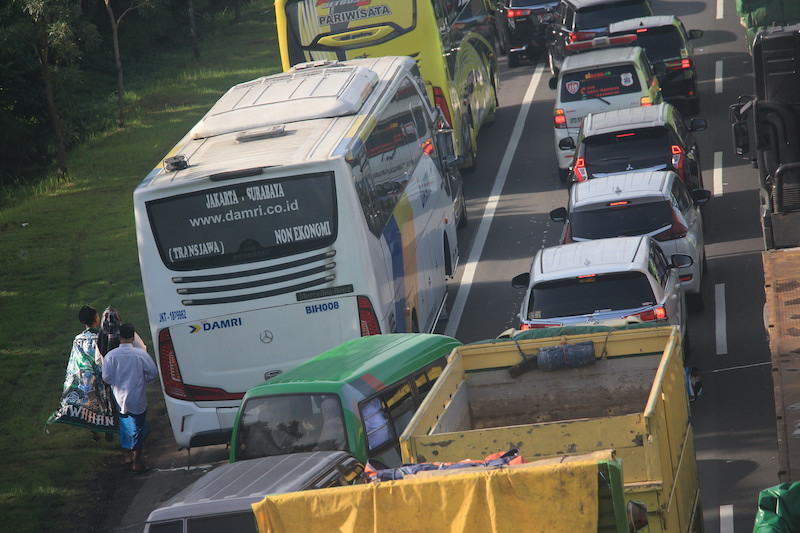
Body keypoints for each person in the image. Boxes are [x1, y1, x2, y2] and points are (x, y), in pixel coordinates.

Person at [46, 305, 117, 440]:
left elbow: (74, 360)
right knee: (105, 402)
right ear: (96, 319)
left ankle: (94, 432)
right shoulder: (101, 337)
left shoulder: (78, 339)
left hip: (86, 377)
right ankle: (108, 428)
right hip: (101, 375)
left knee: (88, 405)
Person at [102, 323, 158, 473]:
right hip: (137, 396)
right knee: (138, 428)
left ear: (120, 337)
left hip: (119, 397)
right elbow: (153, 373)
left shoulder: (110, 356)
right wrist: (142, 380)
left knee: (125, 425)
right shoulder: (141, 355)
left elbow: (106, 378)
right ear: (133, 337)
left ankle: (127, 455)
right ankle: (137, 462)